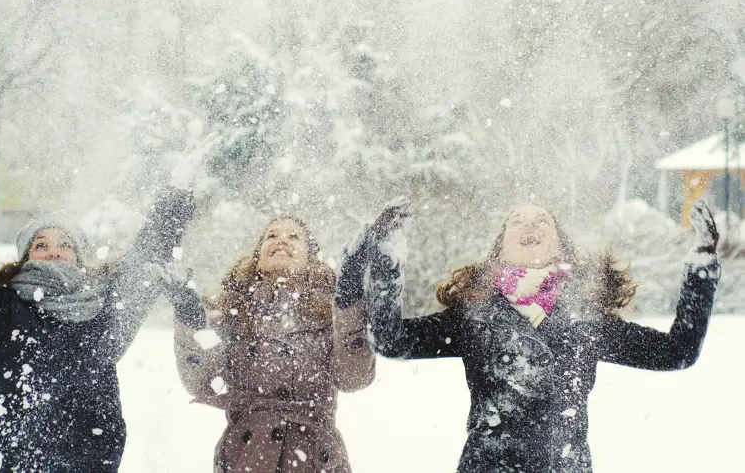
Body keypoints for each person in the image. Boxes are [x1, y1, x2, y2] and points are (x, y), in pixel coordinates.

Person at [0, 131, 205, 473]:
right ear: (26, 258)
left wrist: (177, 194)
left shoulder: (105, 311)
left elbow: (147, 256)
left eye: (66, 244)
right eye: (41, 244)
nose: (54, 250)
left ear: (79, 258)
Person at [357, 198, 720, 473]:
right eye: (517, 221)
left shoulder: (587, 319)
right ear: (500, 249)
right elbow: (393, 341)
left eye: (542, 220)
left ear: (562, 248)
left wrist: (702, 267)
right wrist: (387, 262)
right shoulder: (473, 315)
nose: (530, 225)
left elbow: (677, 352)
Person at [174, 216, 376, 473]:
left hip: (312, 456)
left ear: (310, 257)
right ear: (257, 256)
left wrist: (350, 308)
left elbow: (354, 378)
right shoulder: (231, 309)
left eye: (294, 237)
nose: (281, 240)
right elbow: (200, 382)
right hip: (247, 457)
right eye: (271, 235)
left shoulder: (331, 311)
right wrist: (189, 317)